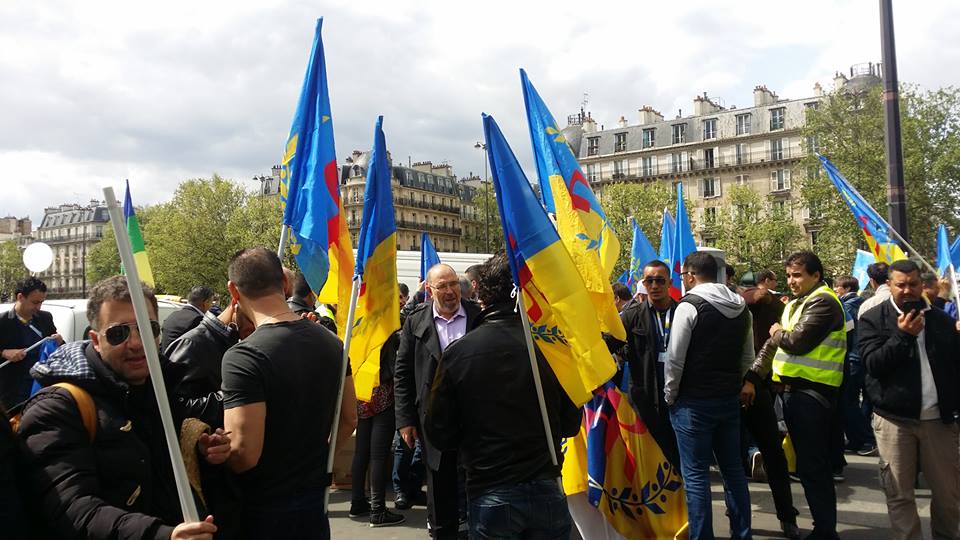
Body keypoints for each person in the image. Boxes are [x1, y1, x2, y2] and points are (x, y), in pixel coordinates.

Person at [17, 275, 226, 539]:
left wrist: (202, 449)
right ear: (95, 339)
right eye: (119, 333)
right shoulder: (57, 408)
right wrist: (160, 535)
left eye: (147, 328)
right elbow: (72, 509)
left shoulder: (161, 388)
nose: (137, 343)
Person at [424, 253, 581, 540]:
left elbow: (440, 432)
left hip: (491, 488)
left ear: (480, 296)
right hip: (544, 483)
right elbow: (571, 422)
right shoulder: (552, 349)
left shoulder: (459, 354)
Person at [221, 247, 357, 539]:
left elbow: (244, 454)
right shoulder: (333, 344)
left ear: (234, 290)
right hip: (312, 501)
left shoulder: (243, 358)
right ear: (285, 283)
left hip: (262, 509)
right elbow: (349, 418)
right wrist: (318, 455)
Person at [859, 259, 960, 540]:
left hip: (939, 421)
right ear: (889, 285)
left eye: (913, 284)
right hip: (894, 421)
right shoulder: (873, 318)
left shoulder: (942, 320)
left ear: (922, 286)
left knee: (949, 496)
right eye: (900, 285)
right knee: (899, 495)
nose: (907, 291)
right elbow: (873, 365)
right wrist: (903, 336)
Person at [754, 251, 846, 540]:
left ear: (816, 276)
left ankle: (825, 531)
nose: (792, 281)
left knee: (813, 467)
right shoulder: (797, 303)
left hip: (813, 394)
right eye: (789, 275)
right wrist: (753, 376)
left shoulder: (824, 301)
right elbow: (772, 347)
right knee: (807, 466)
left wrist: (779, 331)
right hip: (794, 393)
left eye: (798, 275)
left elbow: (795, 341)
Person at [664, 252, 754, 540]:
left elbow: (675, 359)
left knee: (695, 475)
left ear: (690, 276)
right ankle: (742, 534)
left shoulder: (688, 306)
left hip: (692, 402)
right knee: (734, 471)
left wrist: (670, 393)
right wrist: (734, 383)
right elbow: (747, 356)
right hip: (727, 400)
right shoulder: (742, 308)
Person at [395, 263, 481, 539]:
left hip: (475, 420)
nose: (450, 291)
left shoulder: (478, 316)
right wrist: (405, 420)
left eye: (453, 284)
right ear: (430, 290)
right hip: (433, 421)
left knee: (475, 486)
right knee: (440, 486)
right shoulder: (416, 322)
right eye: (442, 286)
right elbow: (403, 373)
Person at [740, 275, 799, 538]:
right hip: (761, 388)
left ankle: (739, 521)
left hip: (738, 390)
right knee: (774, 455)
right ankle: (787, 518)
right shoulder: (773, 311)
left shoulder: (737, 307)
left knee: (732, 458)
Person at [613, 260, 681, 469]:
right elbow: (611, 342)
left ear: (669, 282)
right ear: (643, 283)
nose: (654, 286)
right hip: (645, 397)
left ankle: (680, 496)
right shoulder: (633, 316)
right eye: (649, 281)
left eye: (660, 280)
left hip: (679, 395)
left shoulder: (682, 312)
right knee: (649, 456)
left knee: (676, 451)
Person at [349, 287, 406, 527]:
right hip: (382, 390)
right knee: (378, 453)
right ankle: (377, 509)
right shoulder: (389, 323)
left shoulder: (358, 319)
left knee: (362, 450)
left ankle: (357, 502)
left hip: (362, 390)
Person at [0, 277, 63, 410]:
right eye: (35, 302)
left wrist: (60, 341)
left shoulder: (45, 318)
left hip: (42, 391)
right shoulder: (3, 322)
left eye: (41, 302)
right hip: (12, 395)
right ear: (20, 297)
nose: (38, 307)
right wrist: (4, 353)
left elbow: (59, 348)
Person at [832, 276, 876, 456]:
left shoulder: (847, 306)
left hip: (853, 358)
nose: (835, 289)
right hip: (862, 357)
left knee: (848, 403)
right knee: (859, 401)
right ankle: (860, 439)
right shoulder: (863, 303)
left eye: (837, 286)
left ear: (847, 288)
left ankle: (865, 439)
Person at [160, 285, 214, 352]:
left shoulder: (172, 315)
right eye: (211, 302)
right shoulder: (198, 320)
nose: (211, 306)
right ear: (206, 303)